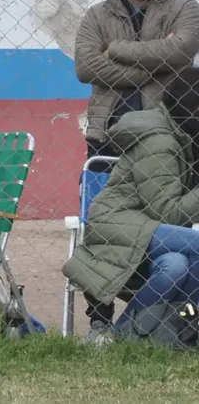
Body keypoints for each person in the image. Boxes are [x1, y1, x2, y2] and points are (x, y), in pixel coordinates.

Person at [73, 0, 199, 343]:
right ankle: (99, 321)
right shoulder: (96, 14)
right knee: (103, 231)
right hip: (105, 139)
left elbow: (181, 53)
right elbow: (86, 67)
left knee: (159, 227)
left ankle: (159, 322)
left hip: (162, 138)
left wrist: (119, 50)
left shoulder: (186, 9)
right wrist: (153, 62)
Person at [63, 67, 199, 339]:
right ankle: (187, 323)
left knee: (176, 265)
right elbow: (167, 212)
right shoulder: (160, 140)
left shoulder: (181, 136)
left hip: (145, 227)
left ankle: (130, 333)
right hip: (118, 224)